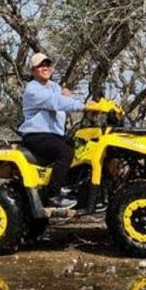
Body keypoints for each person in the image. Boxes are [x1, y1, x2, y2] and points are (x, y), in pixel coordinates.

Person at [18, 52, 91, 209]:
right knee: (64, 152)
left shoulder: (53, 87)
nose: (45, 68)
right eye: (40, 65)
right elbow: (56, 102)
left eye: (47, 65)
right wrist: (84, 106)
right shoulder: (33, 90)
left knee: (81, 149)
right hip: (36, 136)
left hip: (54, 135)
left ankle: (70, 189)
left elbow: (63, 99)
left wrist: (69, 97)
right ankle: (52, 195)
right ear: (33, 70)